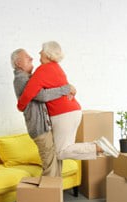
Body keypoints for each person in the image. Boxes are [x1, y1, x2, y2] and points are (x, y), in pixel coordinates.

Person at [17, 41, 118, 174]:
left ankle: (98, 146)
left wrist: (20, 106)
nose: (39, 53)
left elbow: (30, 93)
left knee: (61, 151)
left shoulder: (42, 70)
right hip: (74, 111)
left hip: (62, 114)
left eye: (41, 50)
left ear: (47, 54)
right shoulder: (57, 68)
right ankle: (98, 148)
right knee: (64, 149)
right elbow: (63, 88)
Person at [11, 48, 76, 176]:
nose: (31, 58)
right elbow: (42, 96)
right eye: (27, 57)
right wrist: (66, 89)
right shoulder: (20, 79)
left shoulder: (30, 77)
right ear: (18, 63)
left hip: (45, 127)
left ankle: (55, 194)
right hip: (40, 129)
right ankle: (48, 195)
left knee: (56, 163)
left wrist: (67, 88)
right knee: (51, 168)